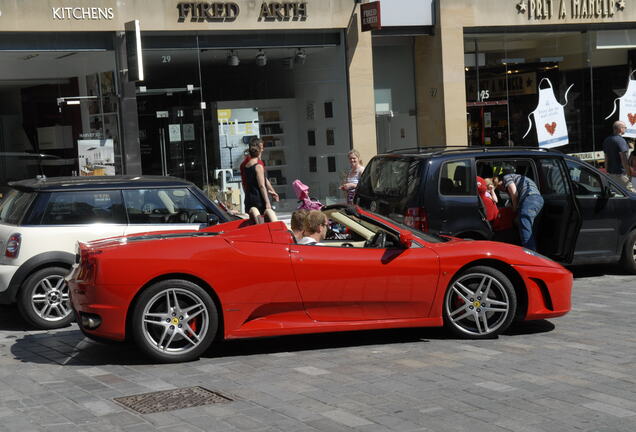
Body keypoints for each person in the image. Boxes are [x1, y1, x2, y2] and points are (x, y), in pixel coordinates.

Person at [494, 173, 543, 251]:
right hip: (538, 200)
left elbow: (514, 193)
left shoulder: (506, 177)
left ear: (500, 181)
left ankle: (530, 253)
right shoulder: (518, 180)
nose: (500, 189)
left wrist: (514, 208)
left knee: (524, 225)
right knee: (528, 227)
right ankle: (533, 251)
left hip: (530, 198)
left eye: (499, 187)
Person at [240, 137, 280, 203]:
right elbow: (261, 184)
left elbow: (263, 178)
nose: (262, 150)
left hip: (250, 196)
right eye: (261, 147)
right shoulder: (256, 163)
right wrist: (267, 201)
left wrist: (272, 191)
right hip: (257, 196)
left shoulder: (246, 163)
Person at [602, 121, 635, 192]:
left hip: (611, 174)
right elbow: (624, 159)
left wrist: (607, 172)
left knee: (619, 195)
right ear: (620, 129)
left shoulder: (607, 140)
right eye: (625, 127)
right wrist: (629, 174)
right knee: (632, 194)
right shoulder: (621, 140)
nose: (626, 129)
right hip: (620, 174)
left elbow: (606, 158)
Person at [243, 144, 271, 214]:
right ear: (259, 153)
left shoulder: (246, 165)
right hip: (258, 198)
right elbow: (261, 186)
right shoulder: (258, 166)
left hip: (248, 197)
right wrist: (267, 202)